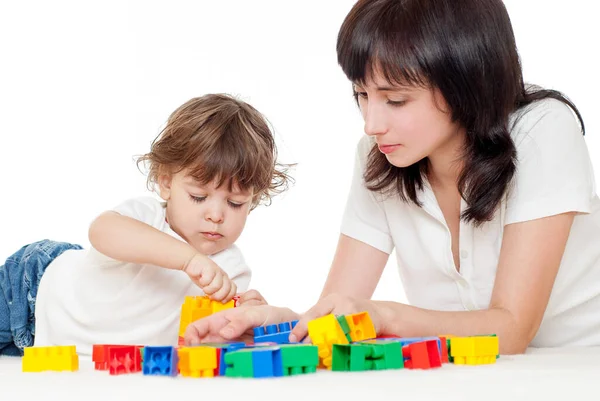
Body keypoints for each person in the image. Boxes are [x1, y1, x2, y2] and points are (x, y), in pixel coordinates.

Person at [183, 0, 600, 354]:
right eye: (361, 95)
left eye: (395, 99)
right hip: (469, 381)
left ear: (467, 83)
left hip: (574, 371)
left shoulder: (543, 130)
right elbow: (338, 309)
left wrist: (385, 315)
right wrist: (280, 327)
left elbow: (512, 330)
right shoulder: (377, 157)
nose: (371, 123)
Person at [0, 93, 292, 357]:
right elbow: (101, 232)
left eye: (235, 203)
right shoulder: (147, 217)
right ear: (166, 182)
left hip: (56, 345)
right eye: (198, 196)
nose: (216, 215)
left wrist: (243, 321)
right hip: (31, 291)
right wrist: (187, 258)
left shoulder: (232, 269)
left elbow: (205, 341)